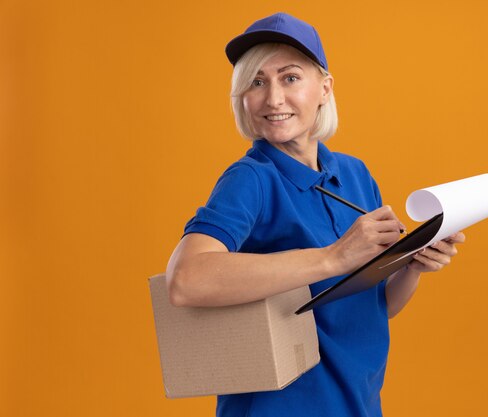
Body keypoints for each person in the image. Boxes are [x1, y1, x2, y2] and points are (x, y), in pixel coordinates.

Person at [166, 12, 465, 417]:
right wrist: (332, 257)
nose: (273, 99)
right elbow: (186, 281)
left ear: (324, 88)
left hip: (358, 402)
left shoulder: (355, 175)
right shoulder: (252, 179)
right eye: (257, 82)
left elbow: (374, 306)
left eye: (290, 78)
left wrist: (411, 266)